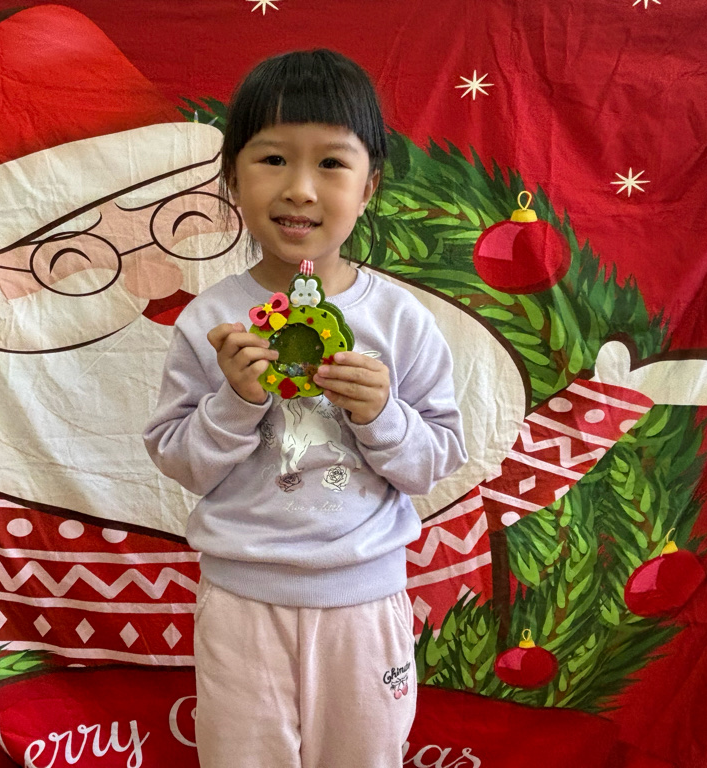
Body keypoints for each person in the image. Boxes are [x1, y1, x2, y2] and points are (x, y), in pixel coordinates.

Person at [143, 50, 468, 767]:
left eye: (331, 163)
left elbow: (436, 460)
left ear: (368, 186)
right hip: (241, 601)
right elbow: (179, 460)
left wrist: (382, 415)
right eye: (272, 159)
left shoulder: (401, 320)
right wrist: (235, 402)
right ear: (232, 179)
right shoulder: (211, 321)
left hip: (363, 602)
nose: (299, 188)